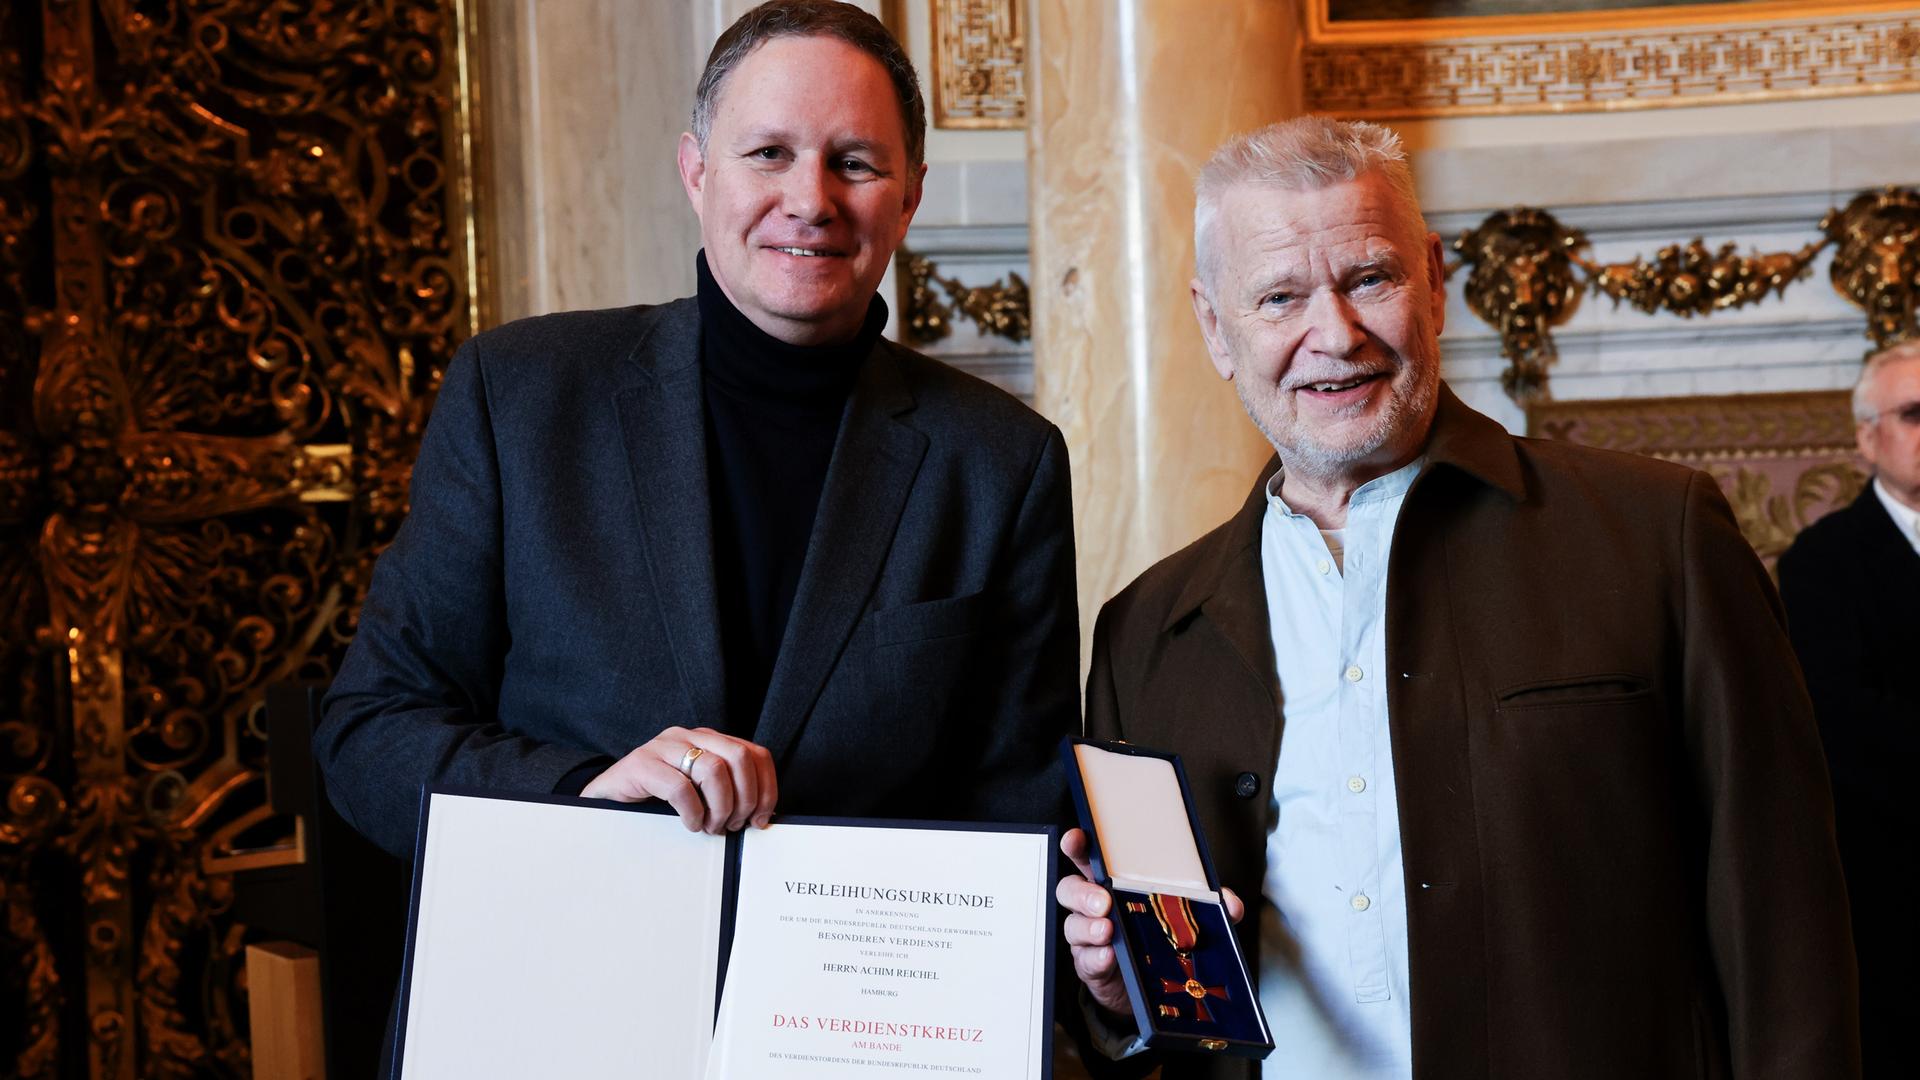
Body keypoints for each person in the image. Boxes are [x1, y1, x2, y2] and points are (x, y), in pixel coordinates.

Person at [1056, 116, 1858, 1078]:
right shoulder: (1146, 629)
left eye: (1370, 279)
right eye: (1279, 297)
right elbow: (1141, 1014)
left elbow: (1785, 918)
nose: (1334, 336)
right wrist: (1119, 989)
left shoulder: (1659, 535)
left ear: (1434, 283)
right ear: (1215, 328)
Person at [317, 0, 1077, 861]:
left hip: (861, 950)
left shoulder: (1004, 462)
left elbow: (1022, 821)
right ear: (696, 173)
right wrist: (582, 794)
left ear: (909, 200)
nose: (811, 200)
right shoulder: (519, 394)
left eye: (855, 163)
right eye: (769, 154)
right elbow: (369, 734)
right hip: (576, 931)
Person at [1777, 341, 1920, 1078]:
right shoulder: (1822, 560)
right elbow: (1842, 723)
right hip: (1893, 873)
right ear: (1867, 439)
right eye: (1914, 414)